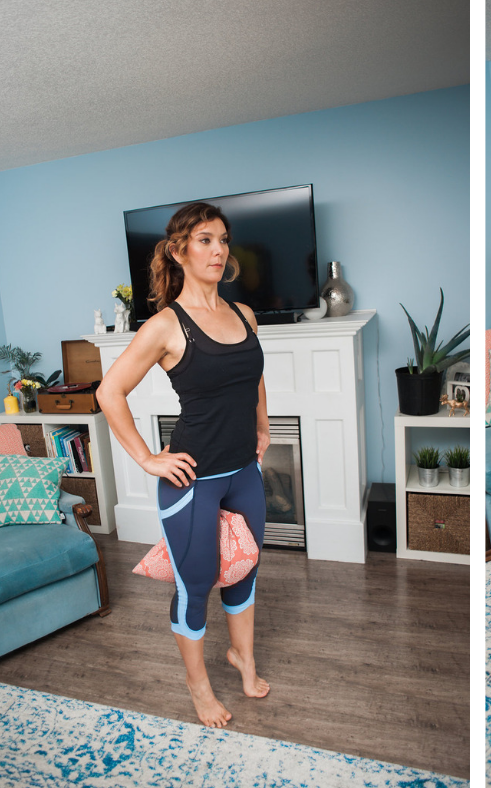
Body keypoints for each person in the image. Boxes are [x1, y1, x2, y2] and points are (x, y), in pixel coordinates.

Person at [98, 202, 271, 727]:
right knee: (195, 584)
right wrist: (147, 458)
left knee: (246, 571)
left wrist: (264, 425)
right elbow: (110, 391)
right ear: (178, 250)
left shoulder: (244, 315)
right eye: (204, 240)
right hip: (193, 478)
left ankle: (243, 658)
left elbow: (254, 377)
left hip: (244, 470)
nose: (218, 250)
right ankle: (198, 688)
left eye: (223, 240)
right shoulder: (165, 326)